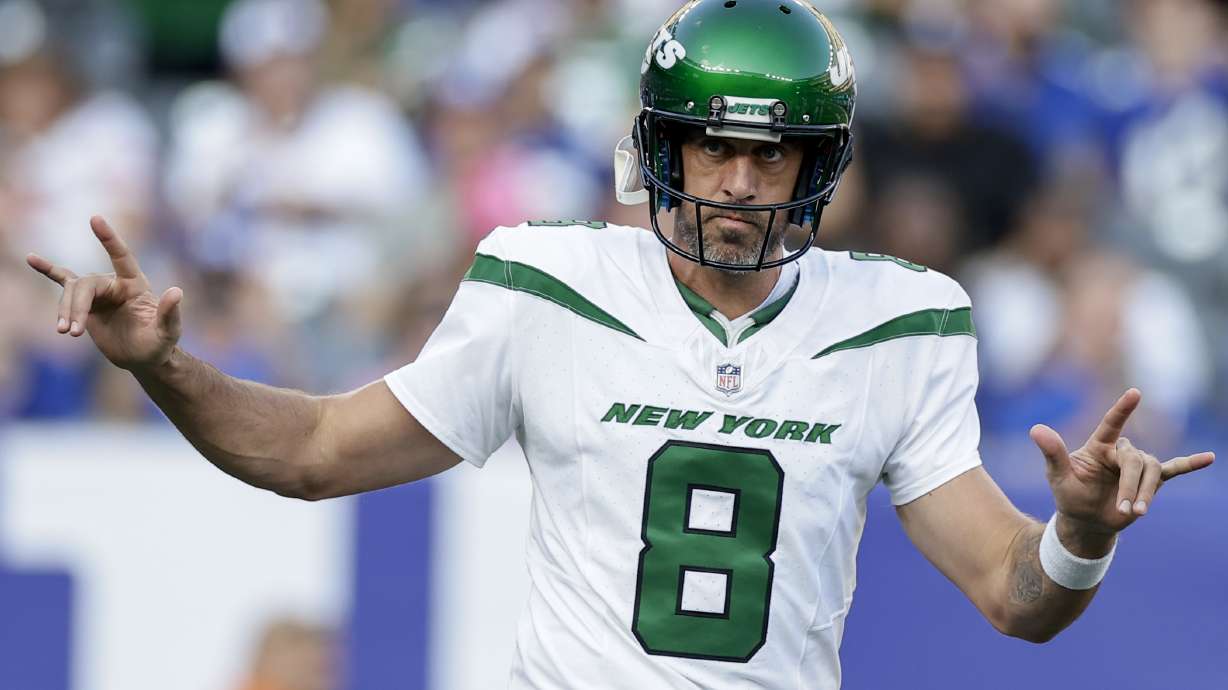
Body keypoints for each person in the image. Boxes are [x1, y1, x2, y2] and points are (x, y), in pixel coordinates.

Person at [25, 2, 1214, 688]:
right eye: (712, 148)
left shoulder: (900, 320)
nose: (742, 183)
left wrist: (1074, 535)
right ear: (660, 151)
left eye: (773, 155)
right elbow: (320, 451)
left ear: (820, 165)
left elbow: (1015, 600)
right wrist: (166, 367)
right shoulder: (548, 281)